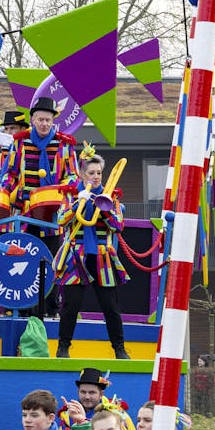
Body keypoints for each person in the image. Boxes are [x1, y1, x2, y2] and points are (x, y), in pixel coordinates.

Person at [3, 96, 79, 316]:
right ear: (33, 120)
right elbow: (9, 174)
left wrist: (60, 191)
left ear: (53, 121)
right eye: (41, 120)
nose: (45, 124)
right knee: (22, 258)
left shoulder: (65, 144)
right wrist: (10, 193)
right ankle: (24, 308)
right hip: (25, 214)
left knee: (50, 260)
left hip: (52, 214)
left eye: (48, 120)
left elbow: (73, 176)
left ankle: (49, 309)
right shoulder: (19, 143)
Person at [55, 151, 131, 360]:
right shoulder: (70, 195)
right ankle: (63, 347)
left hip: (101, 255)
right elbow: (61, 220)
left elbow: (118, 225)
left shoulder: (111, 195)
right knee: (71, 304)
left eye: (99, 173)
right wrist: (77, 204)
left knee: (110, 306)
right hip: (75, 254)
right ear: (82, 174)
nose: (96, 176)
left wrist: (104, 208)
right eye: (91, 173)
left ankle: (119, 349)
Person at [58, 367, 136, 430]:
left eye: (92, 392)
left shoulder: (117, 413)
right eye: (83, 392)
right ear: (78, 392)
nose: (87, 397)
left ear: (101, 394)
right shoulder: (68, 415)